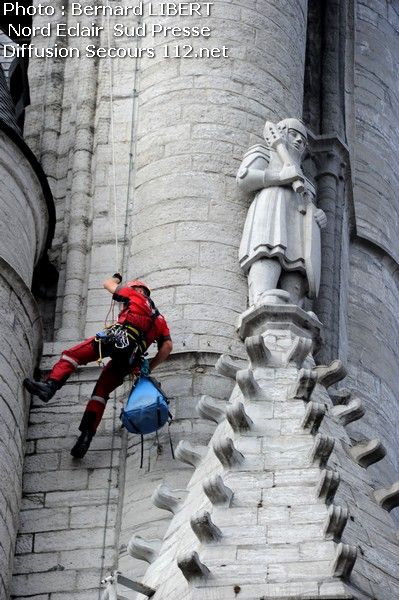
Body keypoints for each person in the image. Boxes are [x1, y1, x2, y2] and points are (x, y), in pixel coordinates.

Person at [23, 275, 173, 458]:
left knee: (72, 355)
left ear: (138, 290)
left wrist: (116, 278)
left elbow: (108, 285)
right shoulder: (160, 320)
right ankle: (86, 436)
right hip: (130, 360)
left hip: (117, 339)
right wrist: (150, 365)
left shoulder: (135, 296)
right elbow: (167, 346)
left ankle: (50, 386)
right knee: (101, 392)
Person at [237, 118, 326, 307]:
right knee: (269, 248)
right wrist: (279, 177)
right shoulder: (266, 153)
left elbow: (309, 205)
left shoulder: (306, 182)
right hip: (272, 207)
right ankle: (261, 296)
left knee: (298, 263)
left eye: (303, 139)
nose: (299, 141)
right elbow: (245, 177)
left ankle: (293, 307)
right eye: (294, 135)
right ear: (282, 133)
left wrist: (317, 214)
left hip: (298, 223)